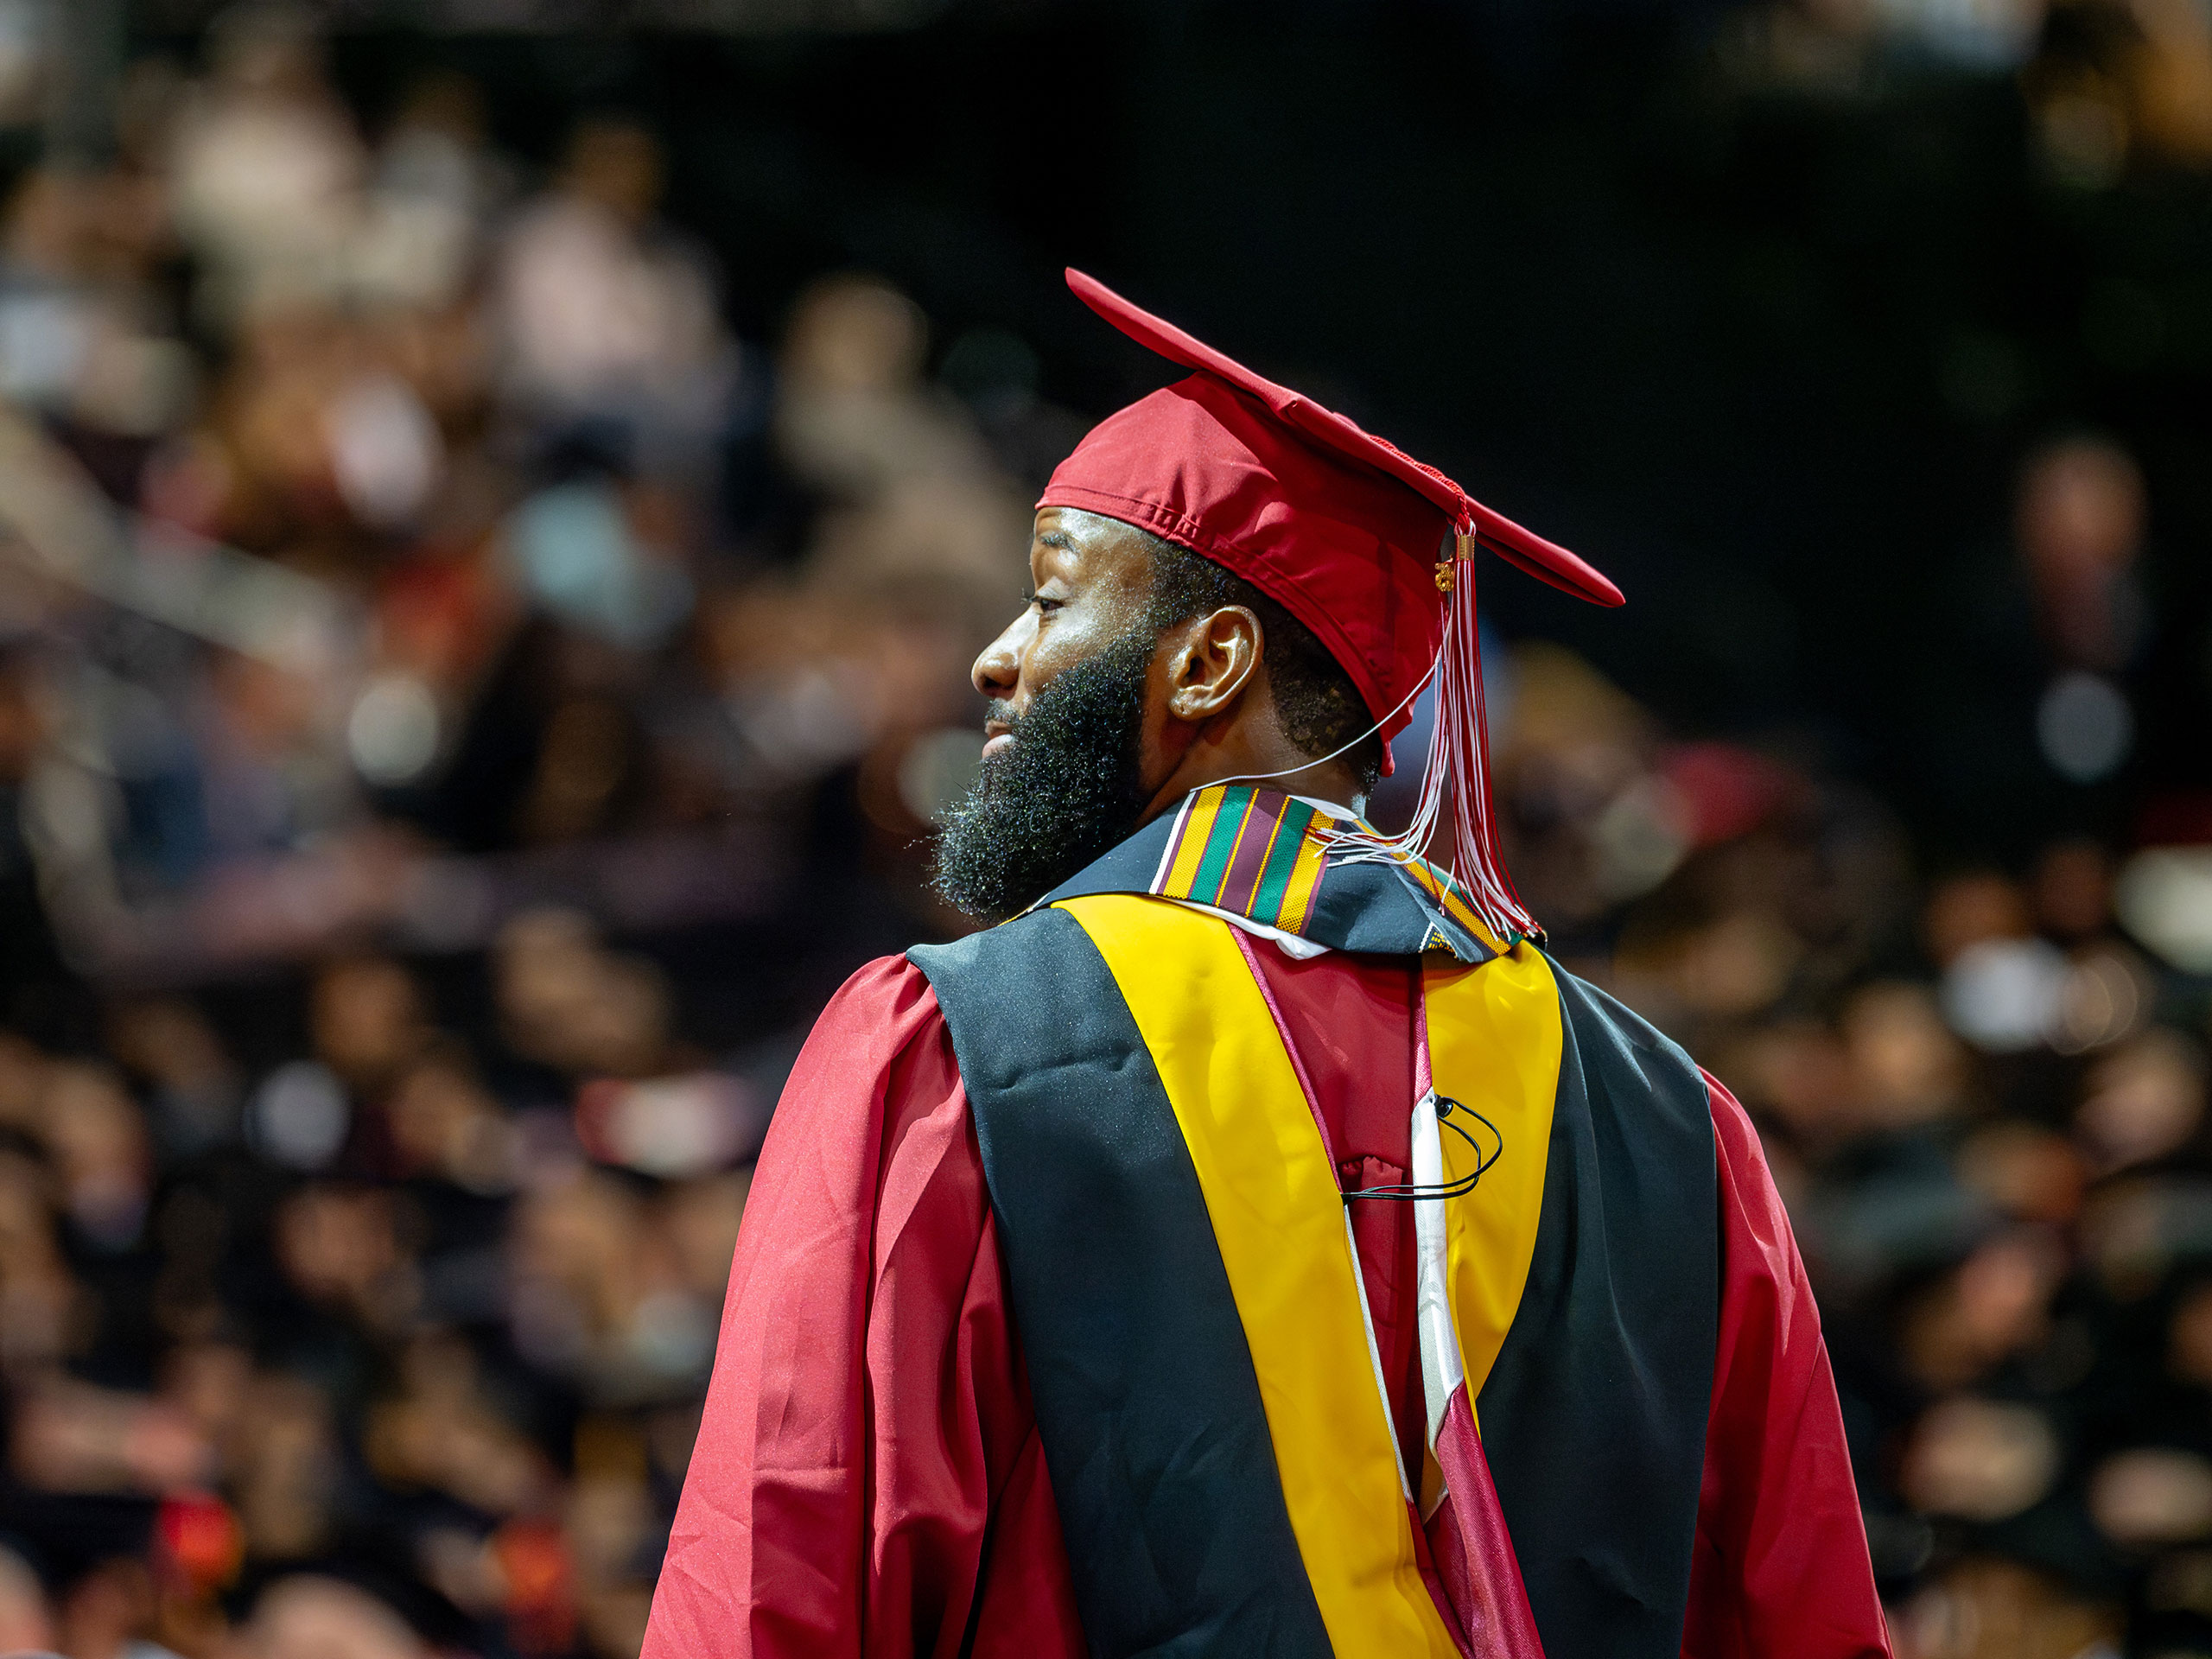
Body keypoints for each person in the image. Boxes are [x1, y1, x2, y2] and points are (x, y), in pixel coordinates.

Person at [642, 271, 1891, 1659]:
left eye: (1053, 596)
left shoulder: (962, 1047)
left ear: (1208, 662)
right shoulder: (1667, 1122)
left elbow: (780, 1576)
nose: (998, 659)